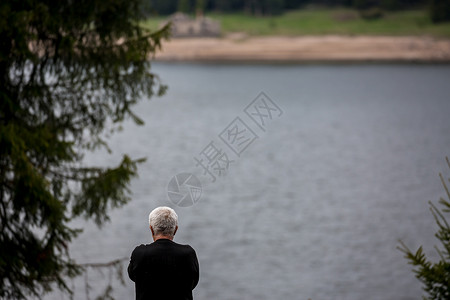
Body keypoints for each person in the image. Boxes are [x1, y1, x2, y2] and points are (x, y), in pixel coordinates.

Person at [128, 206, 199, 300]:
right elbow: (193, 282)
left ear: (152, 229)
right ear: (175, 230)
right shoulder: (188, 254)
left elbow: (133, 276)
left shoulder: (140, 253)